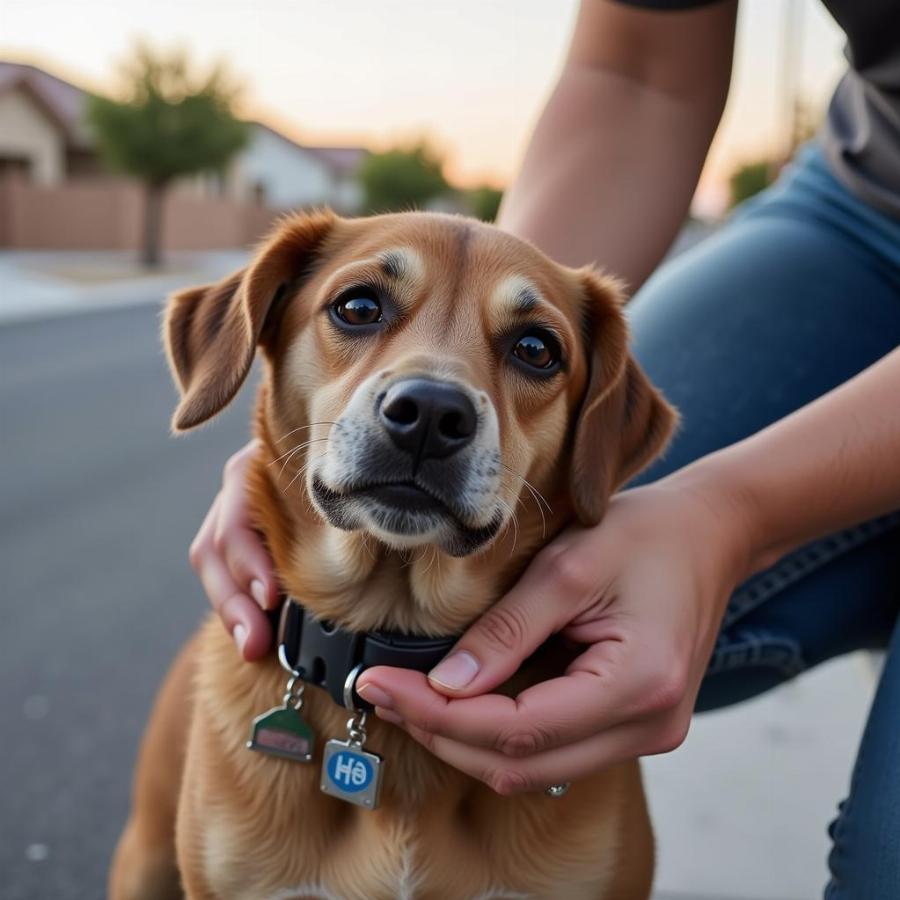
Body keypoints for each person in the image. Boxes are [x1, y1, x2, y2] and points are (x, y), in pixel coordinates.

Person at [187, 1, 900, 895]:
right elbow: (638, 71)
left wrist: (735, 516)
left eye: (529, 352)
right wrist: (286, 461)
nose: (438, 397)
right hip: (873, 195)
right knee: (616, 601)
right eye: (361, 309)